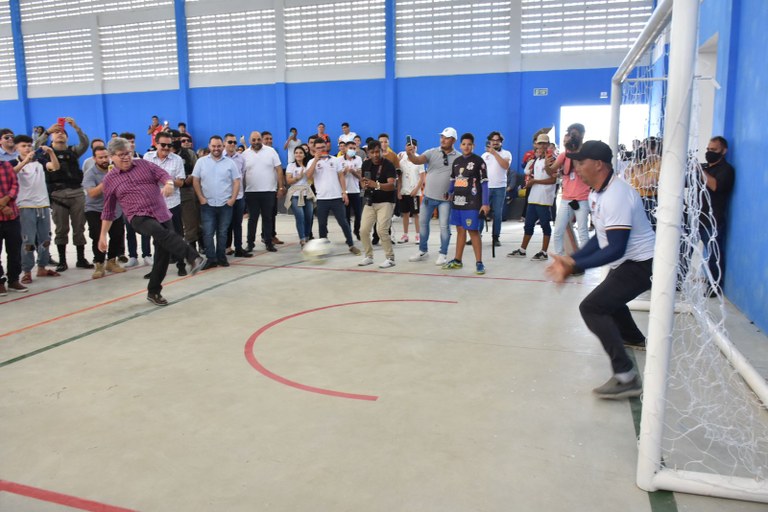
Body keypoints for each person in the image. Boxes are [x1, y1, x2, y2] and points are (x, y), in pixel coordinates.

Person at [546, 141, 655, 399]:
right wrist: (572, 259)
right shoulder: (597, 193)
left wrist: (575, 265)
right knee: (610, 299)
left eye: (581, 163)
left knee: (592, 307)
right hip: (628, 262)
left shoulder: (616, 195)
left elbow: (615, 248)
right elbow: (601, 238)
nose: (577, 168)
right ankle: (634, 338)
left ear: (598, 164)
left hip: (643, 264)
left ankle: (625, 377)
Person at [100, 138, 206, 306]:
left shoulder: (143, 164)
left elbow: (163, 175)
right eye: (121, 155)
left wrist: (169, 183)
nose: (126, 158)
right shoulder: (110, 180)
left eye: (128, 153)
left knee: (162, 256)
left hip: (161, 213)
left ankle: (153, 291)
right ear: (112, 156)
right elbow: (108, 210)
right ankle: (192, 256)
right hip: (138, 216)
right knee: (160, 232)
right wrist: (102, 236)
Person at [35, 117, 92, 271]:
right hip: (57, 195)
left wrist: (76, 127)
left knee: (79, 227)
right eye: (57, 132)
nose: (59, 134)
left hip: (76, 193)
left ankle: (81, 259)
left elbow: (85, 144)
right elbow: (34, 148)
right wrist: (46, 132)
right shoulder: (44, 153)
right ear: (52, 136)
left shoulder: (73, 151)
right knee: (61, 229)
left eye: (62, 133)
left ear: (67, 137)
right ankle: (62, 261)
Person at [12, 135, 61, 284]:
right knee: (27, 241)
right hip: (25, 206)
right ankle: (26, 271)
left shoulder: (40, 161)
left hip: (43, 205)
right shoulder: (13, 162)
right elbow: (11, 174)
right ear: (16, 148)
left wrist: (51, 153)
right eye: (23, 146)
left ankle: (42, 267)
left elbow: (55, 167)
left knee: (45, 239)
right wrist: (25, 161)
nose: (27, 148)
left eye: (29, 145)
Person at [407, 127, 460, 265]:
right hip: (428, 198)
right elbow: (417, 160)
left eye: (447, 137)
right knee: (423, 224)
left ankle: (443, 253)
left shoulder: (459, 157)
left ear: (453, 140)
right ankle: (422, 250)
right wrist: (410, 154)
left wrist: (454, 194)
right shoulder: (431, 152)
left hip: (445, 200)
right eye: (442, 136)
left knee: (444, 227)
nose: (443, 139)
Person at [442, 133, 490, 274]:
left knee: (473, 231)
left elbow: (485, 183)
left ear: (473, 146)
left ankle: (479, 262)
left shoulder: (479, 162)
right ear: (460, 145)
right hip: (457, 202)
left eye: (469, 144)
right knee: (460, 230)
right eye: (464, 144)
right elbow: (453, 180)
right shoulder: (456, 162)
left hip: (472, 202)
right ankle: (457, 260)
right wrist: (449, 193)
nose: (466, 146)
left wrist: (485, 203)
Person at [305, 138, 361, 255]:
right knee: (322, 224)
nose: (321, 149)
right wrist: (315, 160)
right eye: (318, 148)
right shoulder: (311, 162)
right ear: (314, 149)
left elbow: (341, 176)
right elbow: (308, 176)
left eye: (323, 147)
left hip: (336, 197)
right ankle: (323, 247)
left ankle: (351, 244)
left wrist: (344, 192)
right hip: (321, 198)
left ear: (326, 147)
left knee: (343, 222)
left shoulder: (335, 160)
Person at [193, 136, 241, 269]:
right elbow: (195, 180)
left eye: (219, 146)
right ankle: (211, 259)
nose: (216, 148)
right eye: (214, 146)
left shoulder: (230, 163)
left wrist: (233, 199)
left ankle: (221, 257)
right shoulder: (201, 162)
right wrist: (201, 198)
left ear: (223, 146)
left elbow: (237, 181)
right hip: (207, 204)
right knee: (207, 232)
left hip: (225, 204)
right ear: (209, 146)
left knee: (223, 232)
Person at [144, 132, 187, 276]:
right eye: (163, 145)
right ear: (156, 144)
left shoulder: (177, 160)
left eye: (169, 145)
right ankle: (156, 271)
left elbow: (181, 182)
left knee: (177, 236)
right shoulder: (148, 158)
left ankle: (181, 265)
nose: (166, 148)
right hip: (154, 206)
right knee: (157, 239)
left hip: (172, 204)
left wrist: (167, 180)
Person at [507, 134, 556, 261]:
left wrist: (535, 182)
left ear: (548, 144)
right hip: (533, 197)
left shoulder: (551, 159)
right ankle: (522, 250)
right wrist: (530, 182)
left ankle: (544, 252)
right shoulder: (535, 160)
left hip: (544, 198)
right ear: (536, 145)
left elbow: (553, 180)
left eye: (544, 143)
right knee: (528, 225)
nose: (542, 146)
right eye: (539, 143)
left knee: (545, 224)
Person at [83, 146, 126, 279]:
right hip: (95, 209)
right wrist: (107, 180)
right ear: (94, 159)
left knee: (117, 235)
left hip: (115, 208)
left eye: (106, 156)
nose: (104, 160)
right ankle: (99, 263)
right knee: (97, 236)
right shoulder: (90, 173)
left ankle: (111, 261)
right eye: (100, 157)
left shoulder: (118, 169)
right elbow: (92, 193)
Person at [548, 123, 590, 256]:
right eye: (571, 135)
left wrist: (575, 154)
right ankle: (560, 257)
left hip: (583, 198)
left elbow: (583, 171)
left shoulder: (587, 153)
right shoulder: (564, 154)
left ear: (582, 135)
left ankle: (584, 260)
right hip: (566, 198)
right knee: (558, 230)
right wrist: (546, 164)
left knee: (582, 231)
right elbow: (552, 170)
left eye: (575, 135)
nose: (572, 138)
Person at [700, 136, 735, 296]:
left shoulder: (726, 170)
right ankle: (679, 280)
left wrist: (700, 172)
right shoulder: (705, 167)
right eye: (708, 149)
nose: (709, 152)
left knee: (714, 255)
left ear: (724, 151)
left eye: (713, 150)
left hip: (713, 219)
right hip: (697, 218)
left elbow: (715, 186)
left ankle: (714, 286)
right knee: (681, 250)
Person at [357, 141, 397, 268]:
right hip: (370, 201)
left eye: (377, 151)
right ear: (368, 153)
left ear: (381, 151)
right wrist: (363, 184)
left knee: (382, 230)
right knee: (363, 230)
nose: (375, 154)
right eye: (372, 152)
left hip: (386, 201)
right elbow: (363, 181)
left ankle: (390, 258)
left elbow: (392, 185)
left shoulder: (388, 165)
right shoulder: (366, 164)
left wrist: (377, 185)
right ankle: (369, 256)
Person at [242, 131, 284, 253]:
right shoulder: (244, 154)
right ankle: (250, 244)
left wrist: (280, 187)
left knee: (268, 218)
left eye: (258, 139)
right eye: (253, 140)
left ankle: (268, 242)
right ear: (250, 141)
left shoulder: (271, 151)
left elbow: (279, 169)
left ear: (261, 140)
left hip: (269, 191)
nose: (256, 142)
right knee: (252, 219)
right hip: (251, 192)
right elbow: (241, 174)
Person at [480, 131, 512, 247]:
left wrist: (494, 153)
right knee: (482, 212)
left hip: (500, 187)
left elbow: (505, 166)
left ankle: (495, 237)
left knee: (498, 213)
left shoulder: (506, 153)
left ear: (501, 142)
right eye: (493, 140)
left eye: (497, 140)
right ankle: (477, 235)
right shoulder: (484, 156)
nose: (495, 142)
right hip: (486, 187)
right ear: (489, 141)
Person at [222, 133, 251, 258]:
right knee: (224, 225)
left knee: (237, 224)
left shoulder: (241, 158)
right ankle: (225, 248)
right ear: (224, 143)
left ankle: (238, 248)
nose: (232, 144)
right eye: (230, 142)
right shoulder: (219, 157)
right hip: (224, 197)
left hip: (238, 196)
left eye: (234, 142)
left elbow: (242, 175)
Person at [0, 160, 27, 294]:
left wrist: (6, 199)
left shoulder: (6, 166)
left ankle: (14, 279)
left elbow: (15, 185)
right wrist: (2, 206)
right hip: (5, 212)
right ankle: (0, 282)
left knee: (15, 250)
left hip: (12, 217)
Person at [284, 146, 315, 246]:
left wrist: (310, 178)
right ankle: (302, 239)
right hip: (295, 194)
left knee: (309, 217)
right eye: (296, 152)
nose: (298, 154)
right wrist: (298, 178)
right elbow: (288, 181)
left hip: (307, 193)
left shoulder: (308, 165)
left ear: (304, 154)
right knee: (300, 217)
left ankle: (306, 237)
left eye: (300, 152)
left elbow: (312, 180)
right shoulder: (291, 166)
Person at [397, 138, 424, 244]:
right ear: (406, 147)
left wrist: (416, 189)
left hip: (414, 192)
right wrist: (399, 191)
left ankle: (418, 235)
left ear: (416, 148)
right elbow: (399, 177)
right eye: (409, 146)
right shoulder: (402, 161)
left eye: (413, 147)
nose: (411, 148)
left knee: (416, 214)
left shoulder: (419, 160)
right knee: (405, 214)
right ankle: (405, 235)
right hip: (404, 191)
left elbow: (422, 178)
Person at [340, 139, 363, 240]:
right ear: (345, 148)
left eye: (354, 148)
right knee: (346, 215)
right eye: (350, 148)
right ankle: (348, 234)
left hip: (356, 190)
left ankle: (357, 230)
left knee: (358, 213)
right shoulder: (339, 160)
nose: (352, 150)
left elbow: (360, 176)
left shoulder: (358, 159)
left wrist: (353, 171)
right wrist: (344, 172)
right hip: (344, 191)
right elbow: (338, 176)